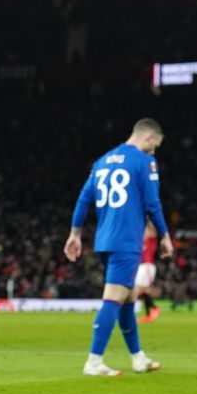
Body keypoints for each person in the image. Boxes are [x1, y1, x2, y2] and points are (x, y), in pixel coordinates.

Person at [65, 118, 173, 377]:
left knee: (129, 296)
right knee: (114, 296)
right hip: (126, 241)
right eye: (155, 145)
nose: (154, 151)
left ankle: (138, 358)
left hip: (104, 240)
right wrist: (165, 235)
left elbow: (83, 198)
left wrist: (75, 234)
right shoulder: (144, 162)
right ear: (148, 137)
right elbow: (152, 203)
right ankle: (94, 361)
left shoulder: (102, 161)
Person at [135, 220, 161, 324]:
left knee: (140, 290)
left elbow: (152, 229)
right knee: (140, 291)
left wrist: (150, 218)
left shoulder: (151, 239)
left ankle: (153, 309)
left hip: (147, 266)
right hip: (141, 266)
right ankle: (150, 313)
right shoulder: (142, 241)